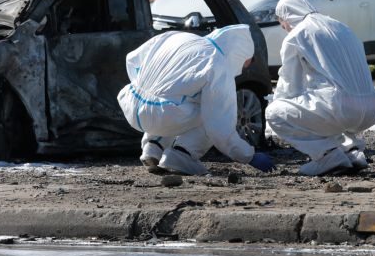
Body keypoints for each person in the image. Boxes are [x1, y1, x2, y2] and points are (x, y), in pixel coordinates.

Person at [117, 24, 275, 175]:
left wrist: (144, 89)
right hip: (163, 115)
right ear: (239, 53)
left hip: (132, 103)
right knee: (211, 112)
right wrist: (248, 155)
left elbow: (132, 59)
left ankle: (153, 148)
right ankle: (182, 155)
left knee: (173, 98)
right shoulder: (217, 63)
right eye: (247, 62)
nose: (245, 67)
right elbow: (220, 128)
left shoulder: (179, 37)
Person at [266, 0, 375, 176]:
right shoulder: (341, 27)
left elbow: (290, 85)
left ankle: (327, 157)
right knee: (320, 106)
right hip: (373, 107)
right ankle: (351, 152)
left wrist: (276, 102)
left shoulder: (297, 34)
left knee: (275, 113)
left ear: (286, 17)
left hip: (340, 108)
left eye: (283, 24)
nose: (285, 29)